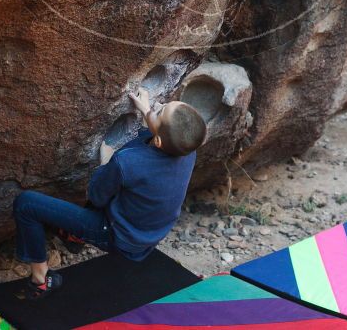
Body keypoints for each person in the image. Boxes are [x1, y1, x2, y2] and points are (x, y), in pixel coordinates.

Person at [11, 87, 207, 300]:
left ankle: (40, 279)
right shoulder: (187, 150)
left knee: (26, 204)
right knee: (123, 180)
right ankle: (75, 238)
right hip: (149, 234)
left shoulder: (127, 163)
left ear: (159, 140)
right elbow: (158, 142)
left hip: (116, 236)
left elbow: (96, 196)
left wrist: (107, 164)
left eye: (160, 111)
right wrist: (148, 112)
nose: (158, 105)